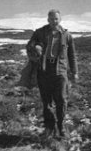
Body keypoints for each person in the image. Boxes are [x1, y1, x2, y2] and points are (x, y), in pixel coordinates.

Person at [26, 9, 78, 138]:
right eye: (52, 19)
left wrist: (74, 72)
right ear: (48, 19)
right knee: (47, 102)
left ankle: (61, 127)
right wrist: (35, 47)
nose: (54, 21)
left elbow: (72, 55)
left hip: (60, 70)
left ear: (60, 20)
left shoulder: (67, 35)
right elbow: (29, 46)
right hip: (44, 69)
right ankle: (49, 128)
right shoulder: (40, 32)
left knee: (61, 100)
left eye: (56, 19)